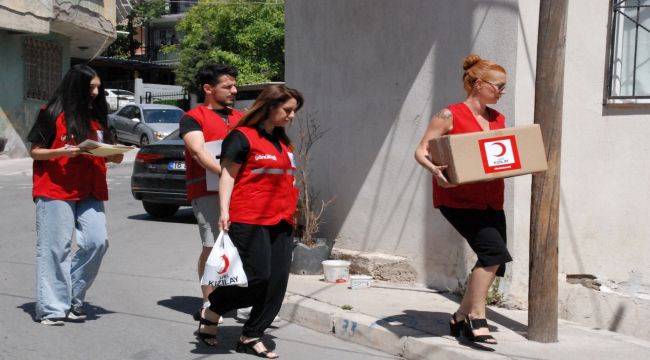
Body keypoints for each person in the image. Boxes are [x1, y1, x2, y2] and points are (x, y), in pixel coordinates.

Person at [196, 85, 303, 359]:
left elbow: (287, 180)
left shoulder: (283, 143)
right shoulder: (242, 137)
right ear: (270, 106)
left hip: (282, 219)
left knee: (277, 283)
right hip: (249, 218)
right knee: (258, 277)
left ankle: (251, 334)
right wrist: (223, 211)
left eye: (294, 112)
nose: (291, 116)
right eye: (287, 110)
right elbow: (227, 176)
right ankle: (215, 307)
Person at [414, 54, 511, 344]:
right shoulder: (449, 114)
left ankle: (458, 317)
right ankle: (477, 317)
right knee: (494, 254)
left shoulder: (498, 119)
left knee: (494, 260)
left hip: (491, 197)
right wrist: (435, 170)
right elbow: (422, 150)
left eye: (504, 86)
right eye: (498, 86)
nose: (502, 92)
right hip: (457, 199)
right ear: (479, 84)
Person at [27, 64, 123, 325]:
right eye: (90, 86)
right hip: (55, 189)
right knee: (55, 249)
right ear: (76, 87)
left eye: (97, 87)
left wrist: (115, 155)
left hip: (91, 189)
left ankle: (72, 296)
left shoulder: (99, 117)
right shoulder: (51, 113)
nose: (95, 91)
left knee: (97, 241)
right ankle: (52, 308)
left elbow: (114, 152)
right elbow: (35, 151)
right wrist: (61, 152)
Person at [179, 64, 243, 323]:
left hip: (239, 190)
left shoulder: (240, 117)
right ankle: (209, 300)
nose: (234, 90)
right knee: (213, 244)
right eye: (228, 86)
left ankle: (236, 297)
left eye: (234, 85)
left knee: (239, 245)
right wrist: (226, 174)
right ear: (208, 88)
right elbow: (198, 151)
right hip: (206, 190)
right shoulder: (193, 117)